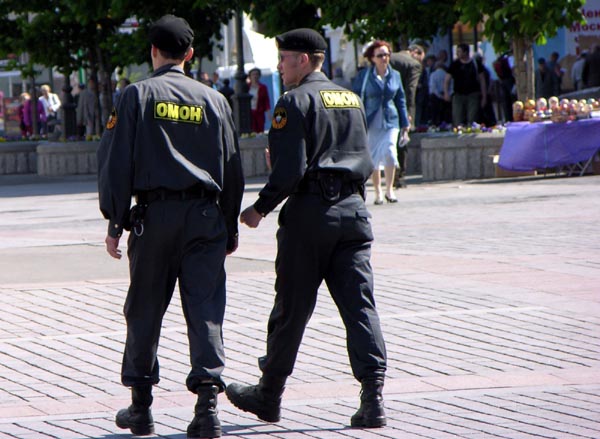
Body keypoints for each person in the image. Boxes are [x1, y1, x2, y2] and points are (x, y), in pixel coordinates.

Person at [225, 28, 387, 429]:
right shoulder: (349, 97)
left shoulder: (293, 101)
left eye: (283, 58)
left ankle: (269, 395)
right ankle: (373, 397)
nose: (279, 67)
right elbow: (362, 155)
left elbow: (290, 171)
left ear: (302, 59)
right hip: (353, 213)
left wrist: (259, 209)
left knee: (291, 308)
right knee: (360, 306)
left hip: (311, 216)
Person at [97, 14, 244, 439]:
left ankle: (141, 408)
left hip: (155, 218)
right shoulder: (215, 100)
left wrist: (115, 221)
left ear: (153, 52)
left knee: (144, 308)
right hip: (205, 218)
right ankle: (207, 409)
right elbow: (233, 167)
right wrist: (230, 226)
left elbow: (116, 163)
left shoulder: (136, 95)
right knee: (206, 310)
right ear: (190, 54)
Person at [353, 40, 410, 205]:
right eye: (380, 55)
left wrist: (405, 122)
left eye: (386, 54)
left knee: (390, 152)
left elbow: (400, 100)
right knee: (373, 157)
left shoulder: (395, 75)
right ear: (372, 58)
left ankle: (389, 189)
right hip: (370, 121)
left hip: (390, 120)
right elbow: (356, 97)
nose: (384, 58)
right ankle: (378, 191)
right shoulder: (365, 76)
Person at [389, 44, 424, 188]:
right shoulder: (413, 64)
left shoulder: (389, 57)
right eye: (421, 58)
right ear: (415, 52)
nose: (420, 62)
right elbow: (410, 90)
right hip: (399, 106)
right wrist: (409, 114)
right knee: (401, 140)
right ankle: (399, 177)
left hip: (383, 105)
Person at [444, 43, 487, 127]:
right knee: (457, 118)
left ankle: (471, 130)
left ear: (466, 52)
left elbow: (482, 80)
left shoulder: (475, 63)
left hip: (473, 94)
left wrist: (484, 96)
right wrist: (446, 92)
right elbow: (447, 80)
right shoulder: (454, 64)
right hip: (458, 95)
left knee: (473, 118)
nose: (457, 54)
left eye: (459, 51)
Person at [248, 67, 271, 133]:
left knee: (260, 130)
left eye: (257, 74)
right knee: (252, 130)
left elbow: (266, 100)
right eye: (253, 74)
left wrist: (268, 113)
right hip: (250, 112)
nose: (255, 76)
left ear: (259, 76)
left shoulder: (263, 87)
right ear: (250, 77)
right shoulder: (247, 87)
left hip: (259, 112)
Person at [428, 61, 452, 126]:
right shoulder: (447, 74)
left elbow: (433, 88)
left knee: (435, 114)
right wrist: (447, 95)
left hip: (435, 97)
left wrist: (439, 96)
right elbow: (451, 87)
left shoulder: (433, 74)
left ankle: (435, 125)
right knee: (445, 114)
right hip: (446, 96)